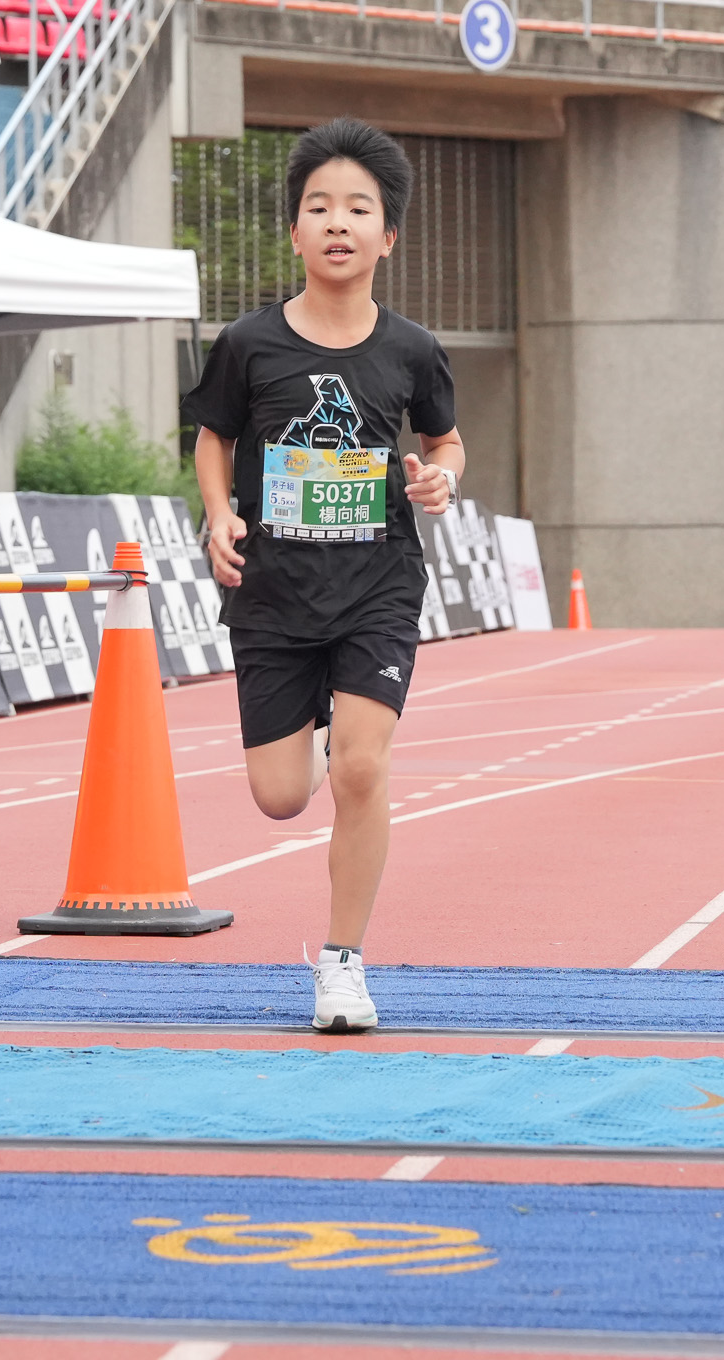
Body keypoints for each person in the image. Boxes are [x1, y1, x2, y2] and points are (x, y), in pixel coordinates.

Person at [189, 117, 461, 1035]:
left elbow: (445, 439)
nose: (337, 221)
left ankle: (342, 965)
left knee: (362, 768)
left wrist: (441, 478)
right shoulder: (249, 343)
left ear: (389, 236)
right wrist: (219, 513)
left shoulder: (411, 349)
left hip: (378, 584)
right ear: (295, 231)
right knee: (278, 797)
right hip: (272, 590)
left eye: (357, 208)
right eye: (318, 207)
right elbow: (214, 437)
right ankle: (317, 735)